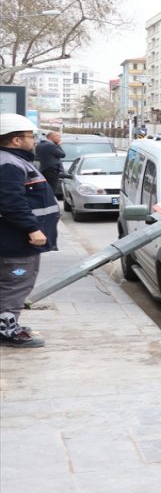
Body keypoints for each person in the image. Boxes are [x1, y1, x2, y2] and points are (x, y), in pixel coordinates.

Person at [0, 114, 59, 348]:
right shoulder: (9, 164)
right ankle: (7, 330)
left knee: (10, 283)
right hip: (17, 241)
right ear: (15, 140)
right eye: (30, 136)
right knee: (16, 283)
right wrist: (32, 228)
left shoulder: (12, 161)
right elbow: (10, 202)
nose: (34, 141)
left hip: (14, 240)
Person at [34, 131, 65, 199]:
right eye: (59, 137)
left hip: (44, 168)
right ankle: (50, 201)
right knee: (52, 188)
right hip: (52, 170)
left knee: (46, 188)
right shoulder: (50, 145)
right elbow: (62, 154)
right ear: (53, 137)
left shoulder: (39, 145)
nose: (60, 139)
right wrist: (58, 145)